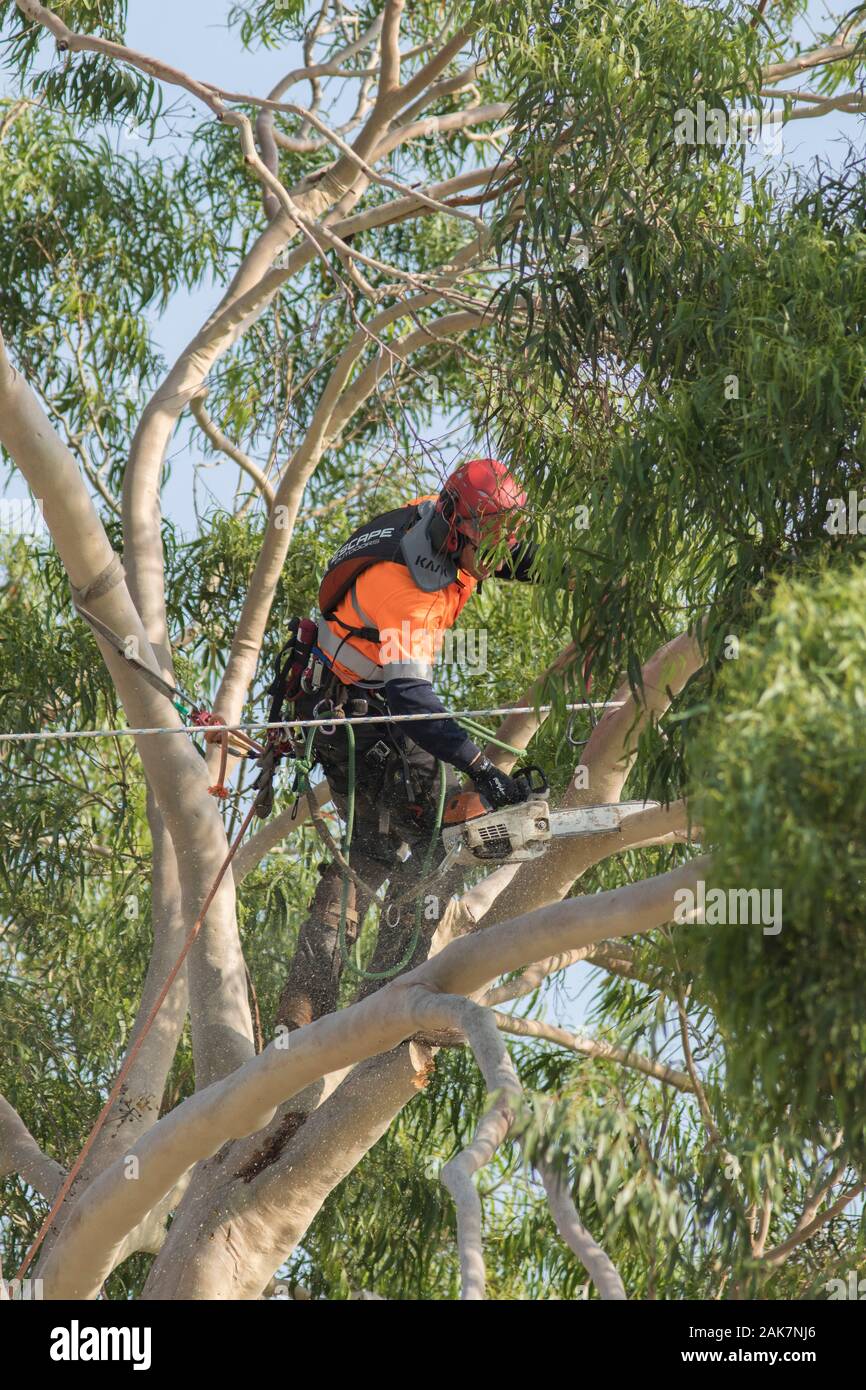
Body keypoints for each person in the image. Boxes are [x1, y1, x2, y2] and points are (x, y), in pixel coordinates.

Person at [276, 458, 543, 1030]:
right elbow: (413, 702)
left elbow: (514, 558)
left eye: (503, 546)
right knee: (434, 837)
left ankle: (313, 1001)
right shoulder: (410, 595)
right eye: (487, 549)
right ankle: (386, 995)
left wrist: (586, 576)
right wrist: (482, 769)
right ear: (457, 534)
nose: (495, 562)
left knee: (376, 849)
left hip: (353, 705)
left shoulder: (441, 527)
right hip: (364, 719)